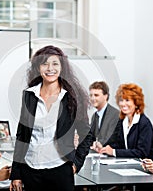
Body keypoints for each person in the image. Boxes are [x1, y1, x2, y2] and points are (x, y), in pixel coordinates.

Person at [9, 45, 93, 191]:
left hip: (60, 169)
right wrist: (16, 173)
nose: (50, 68)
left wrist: (76, 163)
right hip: (30, 169)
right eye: (44, 63)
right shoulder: (29, 95)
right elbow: (22, 135)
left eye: (55, 63)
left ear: (62, 67)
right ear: (38, 68)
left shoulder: (72, 97)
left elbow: (87, 133)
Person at [94, 83, 153, 161]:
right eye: (121, 100)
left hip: (145, 168)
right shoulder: (122, 121)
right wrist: (104, 148)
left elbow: (142, 152)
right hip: (128, 165)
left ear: (136, 103)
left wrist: (114, 152)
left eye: (127, 100)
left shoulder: (144, 123)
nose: (123, 104)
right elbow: (118, 144)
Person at [89, 81, 119, 146]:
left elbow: (110, 139)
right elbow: (91, 137)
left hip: (111, 154)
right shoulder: (94, 116)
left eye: (96, 95)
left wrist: (96, 144)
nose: (92, 98)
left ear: (105, 96)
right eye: (91, 95)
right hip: (98, 153)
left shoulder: (115, 114)